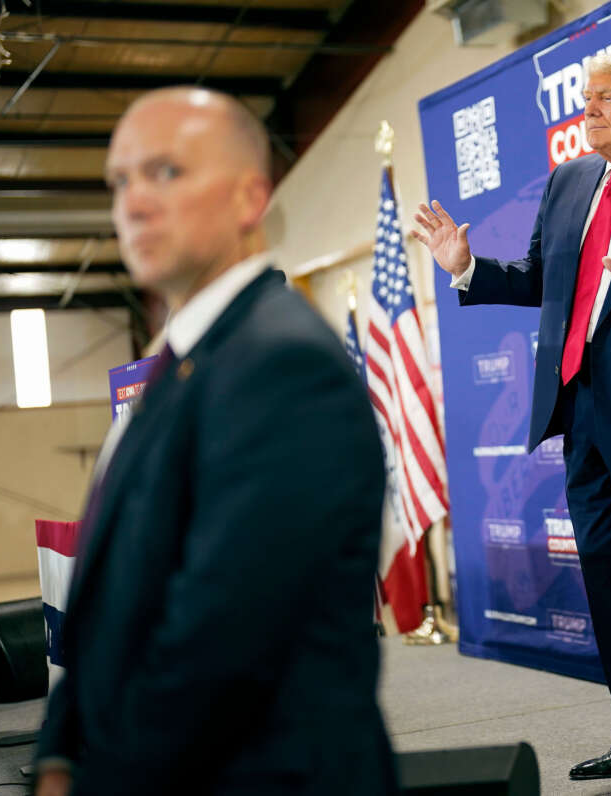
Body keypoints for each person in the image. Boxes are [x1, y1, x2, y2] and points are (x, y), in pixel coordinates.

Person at [33, 87, 396, 796]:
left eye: (165, 172)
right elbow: (108, 606)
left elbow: (223, 640)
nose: (132, 202)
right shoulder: (182, 364)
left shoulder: (283, 366)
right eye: (120, 180)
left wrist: (99, 778)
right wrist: (56, 754)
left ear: (248, 199)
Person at [413, 52, 611, 795]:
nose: (586, 111)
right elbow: (540, 277)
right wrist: (467, 267)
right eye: (586, 98)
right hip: (581, 414)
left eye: (603, 99)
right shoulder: (569, 182)